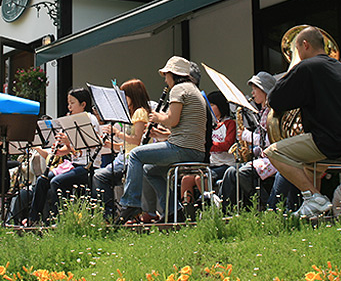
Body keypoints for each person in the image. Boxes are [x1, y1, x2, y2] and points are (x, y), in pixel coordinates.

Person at [264, 26, 341, 217]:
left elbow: (275, 99)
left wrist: (293, 68)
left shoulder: (307, 67)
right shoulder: (340, 68)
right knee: (309, 166)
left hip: (329, 141)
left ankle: (314, 197)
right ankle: (314, 212)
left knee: (273, 152)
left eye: (296, 49)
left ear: (305, 45)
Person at [116, 56, 207, 223]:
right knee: (150, 170)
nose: (165, 79)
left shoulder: (178, 90)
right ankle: (173, 211)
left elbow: (172, 120)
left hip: (182, 149)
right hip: (195, 150)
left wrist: (158, 117)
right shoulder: (192, 89)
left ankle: (131, 203)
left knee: (135, 155)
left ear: (174, 74)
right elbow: (184, 125)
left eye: (166, 75)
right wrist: (162, 135)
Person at [27, 87, 100, 224]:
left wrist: (69, 143)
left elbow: (92, 146)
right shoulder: (71, 119)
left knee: (57, 181)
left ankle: (57, 220)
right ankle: (33, 219)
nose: (69, 106)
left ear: (83, 104)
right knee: (42, 180)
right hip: (74, 165)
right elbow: (72, 149)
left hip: (88, 165)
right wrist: (61, 151)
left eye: (72, 103)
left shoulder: (90, 119)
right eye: (68, 103)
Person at [218, 71, 277, 209]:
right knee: (230, 172)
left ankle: (265, 205)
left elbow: (269, 140)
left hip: (274, 160)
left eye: (255, 89)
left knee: (243, 174)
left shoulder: (272, 112)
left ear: (264, 90)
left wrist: (247, 135)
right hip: (263, 157)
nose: (252, 93)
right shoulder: (262, 112)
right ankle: (226, 209)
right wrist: (251, 151)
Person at [93, 79, 150, 219]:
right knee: (99, 175)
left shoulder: (140, 113)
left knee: (100, 176)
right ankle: (114, 213)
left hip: (132, 158)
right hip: (126, 154)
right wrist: (112, 146)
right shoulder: (132, 114)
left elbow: (136, 140)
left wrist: (117, 133)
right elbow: (129, 144)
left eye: (125, 96)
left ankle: (109, 214)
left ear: (133, 95)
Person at [180, 91, 236, 213]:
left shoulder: (230, 123)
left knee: (200, 178)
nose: (210, 108)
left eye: (212, 104)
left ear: (220, 105)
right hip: (212, 165)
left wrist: (209, 146)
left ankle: (212, 207)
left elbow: (227, 144)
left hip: (225, 165)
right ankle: (187, 212)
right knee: (186, 179)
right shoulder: (210, 125)